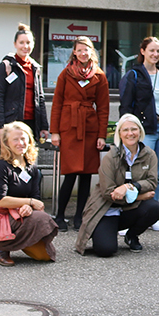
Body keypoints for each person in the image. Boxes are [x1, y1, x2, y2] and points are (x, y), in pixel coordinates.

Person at [118, 35, 159, 231]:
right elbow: (125, 106)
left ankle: (151, 215)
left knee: (157, 173)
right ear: (143, 51)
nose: (155, 54)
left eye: (158, 51)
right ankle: (130, 214)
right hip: (145, 131)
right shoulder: (134, 74)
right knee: (136, 173)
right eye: (152, 50)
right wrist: (128, 130)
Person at [74, 114, 159, 257]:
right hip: (107, 209)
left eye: (134, 129)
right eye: (125, 130)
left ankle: (131, 235)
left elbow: (152, 182)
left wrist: (128, 187)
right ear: (119, 134)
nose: (130, 133)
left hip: (129, 209)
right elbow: (109, 194)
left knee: (154, 208)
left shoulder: (150, 155)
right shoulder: (110, 157)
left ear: (140, 131)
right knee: (106, 250)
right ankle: (105, 232)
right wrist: (141, 196)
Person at [50, 36, 110, 231]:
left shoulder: (99, 76)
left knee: (86, 175)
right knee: (70, 174)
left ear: (92, 52)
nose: (84, 53)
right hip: (69, 128)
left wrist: (102, 135)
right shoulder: (65, 74)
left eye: (87, 49)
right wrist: (55, 132)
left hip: (90, 129)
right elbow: (57, 104)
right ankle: (59, 216)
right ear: (74, 52)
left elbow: (103, 108)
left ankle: (79, 217)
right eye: (80, 50)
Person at [0, 120, 58, 266]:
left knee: (45, 256)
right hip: (0, 214)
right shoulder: (0, 166)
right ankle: (0, 246)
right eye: (15, 139)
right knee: (41, 217)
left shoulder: (32, 168)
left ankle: (18, 242)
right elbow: (1, 200)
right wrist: (29, 202)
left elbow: (36, 197)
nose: (20, 143)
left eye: (23, 138)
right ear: (7, 143)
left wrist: (29, 206)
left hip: (22, 213)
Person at [0, 23, 48, 144]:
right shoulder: (6, 66)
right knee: (10, 160)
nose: (25, 46)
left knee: (28, 159)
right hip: (11, 123)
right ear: (15, 44)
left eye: (28, 43)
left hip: (31, 124)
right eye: (21, 43)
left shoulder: (35, 68)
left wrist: (44, 126)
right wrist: (0, 125)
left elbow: (40, 99)